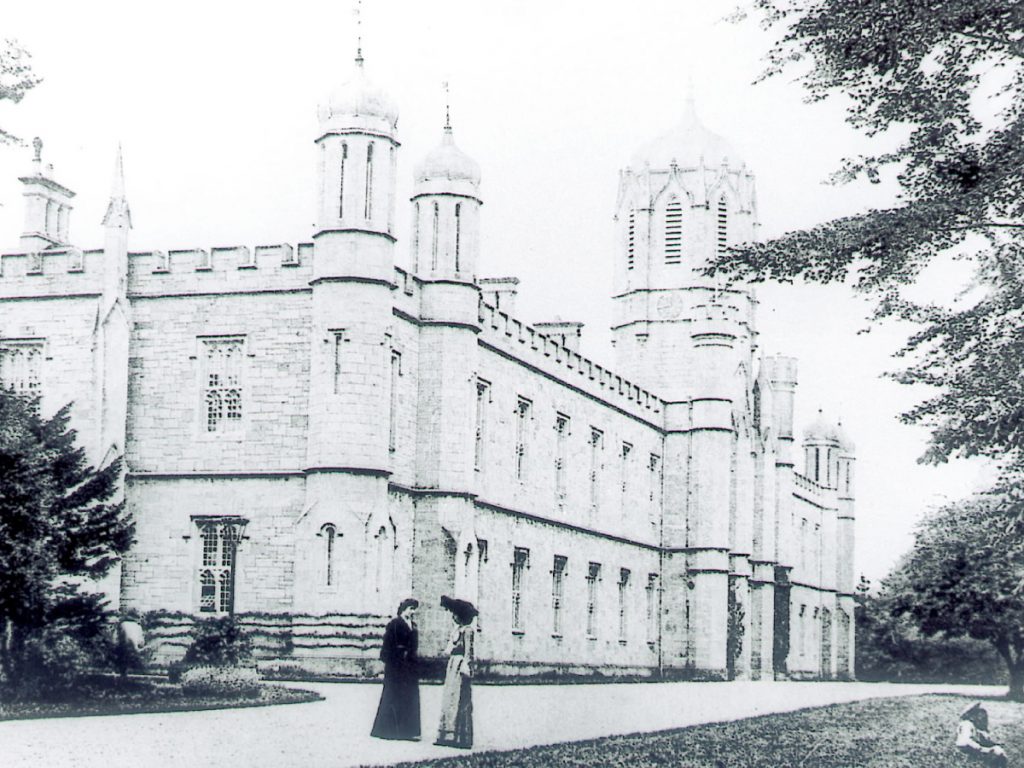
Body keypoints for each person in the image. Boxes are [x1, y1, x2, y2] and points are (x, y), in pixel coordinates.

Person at [371, 598, 421, 740]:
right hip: (396, 666)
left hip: (409, 666)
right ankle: (388, 731)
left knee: (409, 697)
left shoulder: (413, 625)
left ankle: (408, 731)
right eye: (410, 609)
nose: (412, 612)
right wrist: (397, 655)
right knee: (393, 695)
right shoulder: (394, 624)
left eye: (414, 610)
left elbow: (414, 645)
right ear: (403, 609)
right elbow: (387, 645)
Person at [435, 595, 478, 749]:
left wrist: (466, 665)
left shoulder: (468, 631)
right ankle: (447, 733)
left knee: (460, 698)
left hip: (460, 665)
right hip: (453, 664)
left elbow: (468, 651)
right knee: (450, 697)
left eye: (455, 614)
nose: (453, 617)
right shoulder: (457, 630)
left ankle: (460, 736)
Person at [957, 702, 1008, 767]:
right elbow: (964, 742)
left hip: (974, 750)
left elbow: (984, 740)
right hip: (969, 751)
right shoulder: (967, 724)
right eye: (977, 714)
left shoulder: (974, 726)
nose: (980, 717)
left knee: (998, 751)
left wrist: (994, 744)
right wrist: (983, 749)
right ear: (971, 715)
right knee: (998, 753)